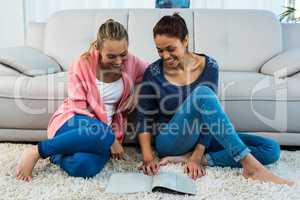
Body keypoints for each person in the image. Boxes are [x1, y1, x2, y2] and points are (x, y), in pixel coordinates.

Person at [137, 13, 293, 186]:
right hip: (170, 140)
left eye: (170, 48)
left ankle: (194, 158)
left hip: (203, 137)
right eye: (160, 50)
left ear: (186, 40)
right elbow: (144, 118)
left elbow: (210, 112)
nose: (165, 56)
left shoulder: (209, 65)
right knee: (203, 94)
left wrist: (197, 157)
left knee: (271, 149)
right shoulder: (153, 73)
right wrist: (147, 157)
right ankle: (250, 167)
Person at [16, 19, 148, 181]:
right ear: (98, 49)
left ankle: (56, 155)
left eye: (123, 54)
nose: (119, 61)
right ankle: (37, 151)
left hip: (102, 133)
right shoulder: (82, 64)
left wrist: (137, 92)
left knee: (84, 165)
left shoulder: (132, 62)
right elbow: (79, 109)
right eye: (111, 56)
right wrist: (110, 138)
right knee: (104, 133)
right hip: (73, 122)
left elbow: (152, 73)